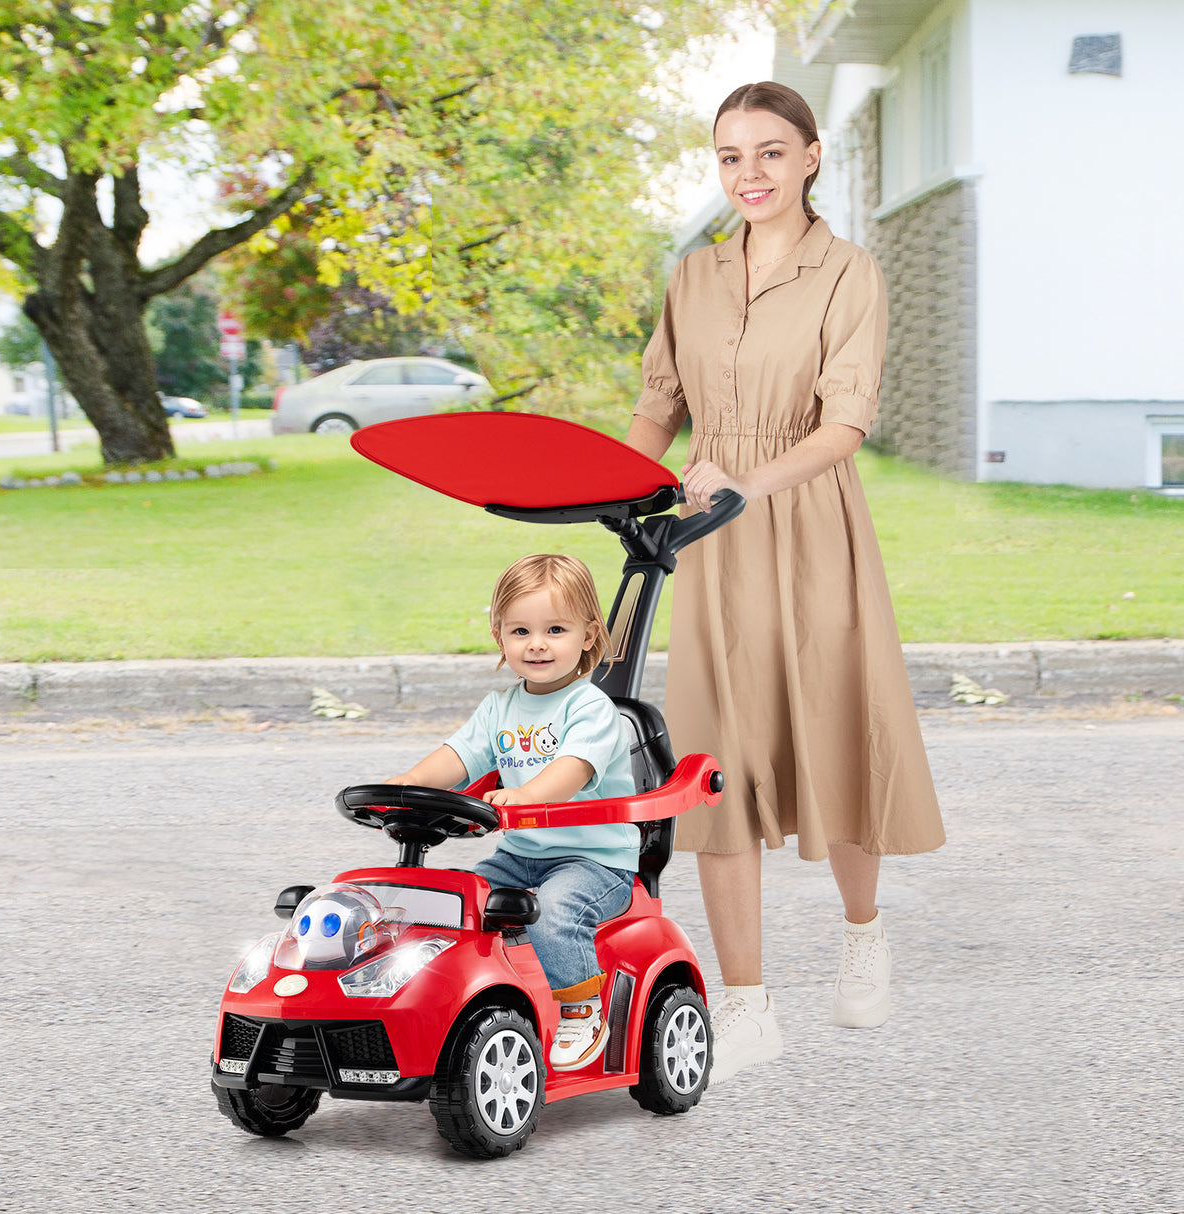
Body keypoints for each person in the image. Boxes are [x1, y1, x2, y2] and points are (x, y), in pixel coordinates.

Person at [625, 81, 946, 1084]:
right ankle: (747, 1001)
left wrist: (743, 482)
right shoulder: (693, 277)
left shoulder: (847, 273)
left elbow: (843, 423)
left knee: (836, 733)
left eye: (768, 152)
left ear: (810, 157)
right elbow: (657, 406)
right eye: (728, 156)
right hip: (708, 542)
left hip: (807, 524)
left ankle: (861, 932)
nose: (747, 173)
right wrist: (611, 494)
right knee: (716, 767)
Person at [383, 553, 638, 1072]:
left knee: (555, 913)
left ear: (589, 635)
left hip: (596, 863)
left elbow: (571, 769)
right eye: (521, 630)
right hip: (520, 856)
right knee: (447, 908)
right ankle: (452, 1011)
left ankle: (583, 1010)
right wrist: (407, 783)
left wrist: (526, 795)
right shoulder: (498, 708)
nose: (537, 644)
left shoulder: (591, 709)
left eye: (555, 629)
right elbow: (457, 758)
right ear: (499, 635)